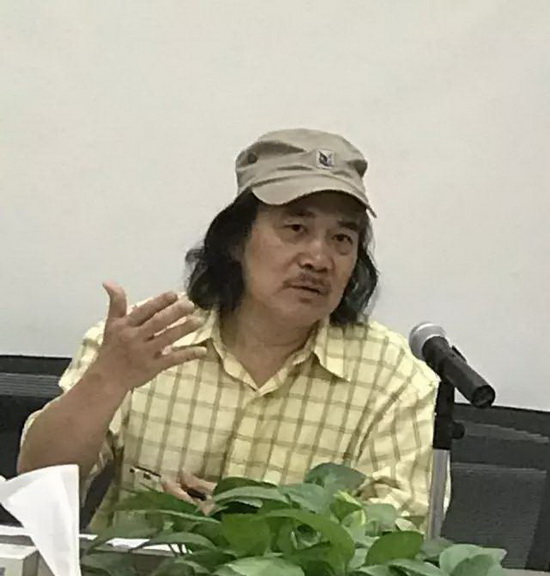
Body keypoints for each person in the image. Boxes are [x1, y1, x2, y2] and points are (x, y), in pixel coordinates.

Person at [18, 128, 437, 530]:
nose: (318, 258)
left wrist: (263, 524)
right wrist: (107, 381)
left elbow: (399, 528)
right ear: (236, 241)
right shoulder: (147, 339)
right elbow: (37, 483)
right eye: (296, 229)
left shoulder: (394, 379)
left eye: (342, 239)